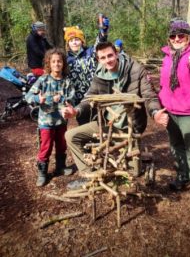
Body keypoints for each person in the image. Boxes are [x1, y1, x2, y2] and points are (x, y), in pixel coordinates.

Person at [61, 41, 168, 190]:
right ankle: (89, 175)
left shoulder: (135, 69)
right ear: (98, 60)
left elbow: (149, 95)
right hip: (106, 124)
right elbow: (89, 97)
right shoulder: (100, 73)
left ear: (116, 54)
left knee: (133, 173)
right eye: (103, 58)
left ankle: (128, 162)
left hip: (130, 126)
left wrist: (155, 113)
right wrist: (76, 111)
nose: (108, 60)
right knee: (71, 135)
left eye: (110, 55)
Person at [158, 19, 190, 200]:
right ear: (169, 39)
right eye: (173, 36)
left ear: (188, 37)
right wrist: (160, 104)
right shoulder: (167, 57)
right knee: (176, 146)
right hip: (171, 111)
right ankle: (182, 176)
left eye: (181, 35)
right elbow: (164, 85)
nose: (177, 39)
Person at [25, 48, 75, 187]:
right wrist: (37, 98)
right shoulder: (43, 79)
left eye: (59, 61)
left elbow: (73, 98)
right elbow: (28, 96)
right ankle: (42, 174)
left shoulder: (67, 82)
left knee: (61, 145)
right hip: (45, 122)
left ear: (63, 64)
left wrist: (63, 99)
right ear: (48, 63)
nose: (56, 64)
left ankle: (60, 167)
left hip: (61, 121)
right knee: (46, 147)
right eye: (53, 61)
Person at [64, 14, 109, 125]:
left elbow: (100, 44)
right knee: (84, 124)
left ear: (82, 41)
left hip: (97, 94)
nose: (74, 42)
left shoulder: (90, 52)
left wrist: (102, 31)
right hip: (80, 99)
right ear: (68, 43)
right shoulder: (65, 60)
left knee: (101, 122)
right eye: (71, 40)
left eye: (77, 39)